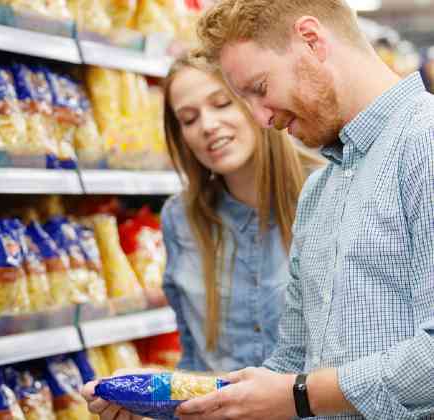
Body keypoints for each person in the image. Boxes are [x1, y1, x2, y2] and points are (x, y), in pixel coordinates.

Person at [171, 1, 433, 419]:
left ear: (311, 40)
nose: (260, 118)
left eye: (259, 89)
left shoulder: (425, 145)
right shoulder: (318, 192)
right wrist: (166, 402)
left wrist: (301, 394)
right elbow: (291, 365)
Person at [82, 52, 320, 419]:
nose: (207, 125)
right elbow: (196, 364)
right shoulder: (181, 219)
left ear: (257, 102)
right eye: (188, 119)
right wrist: (148, 393)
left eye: (222, 104)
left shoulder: (326, 193)